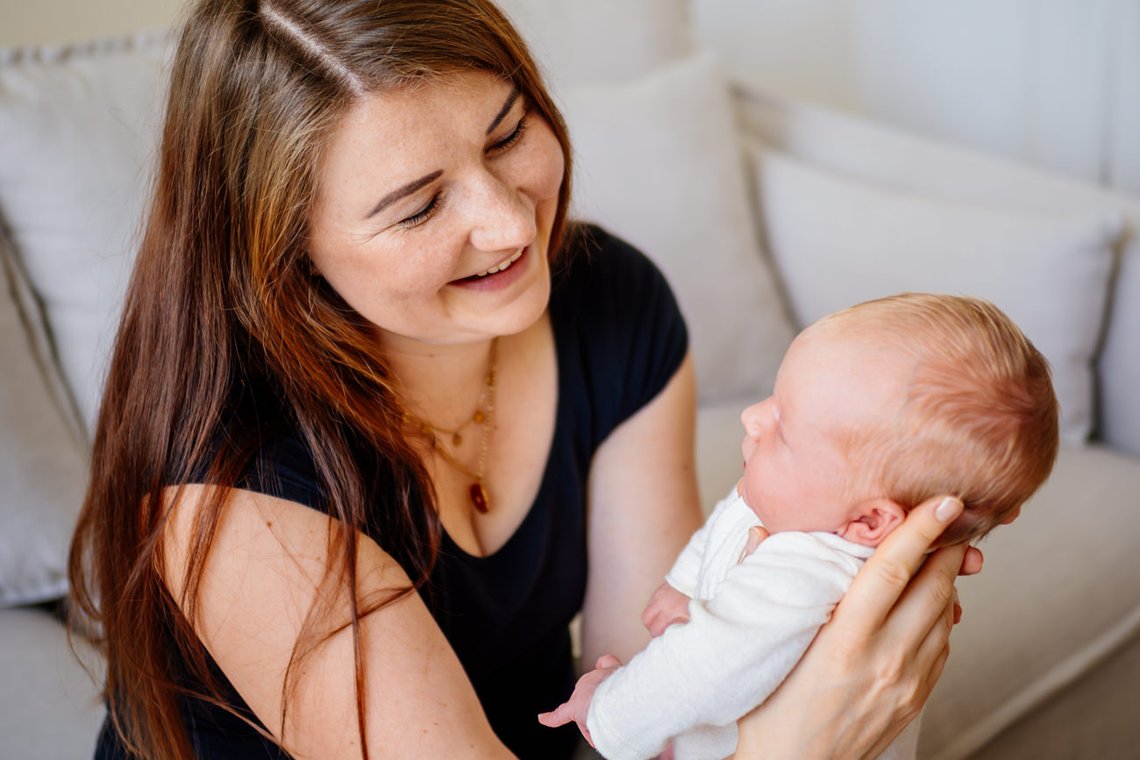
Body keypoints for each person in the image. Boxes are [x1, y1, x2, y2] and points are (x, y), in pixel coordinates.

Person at [66, 1, 981, 758]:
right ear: (282, 253)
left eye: (507, 136)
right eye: (419, 206)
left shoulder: (610, 299)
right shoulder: (234, 484)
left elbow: (654, 691)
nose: (510, 225)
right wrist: (798, 745)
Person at [539, 293, 1059, 760]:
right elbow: (739, 509)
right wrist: (685, 585)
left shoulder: (806, 578)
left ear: (870, 521)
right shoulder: (810, 511)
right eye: (774, 397)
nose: (751, 417)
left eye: (783, 429)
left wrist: (607, 711)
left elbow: (698, 671)